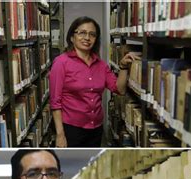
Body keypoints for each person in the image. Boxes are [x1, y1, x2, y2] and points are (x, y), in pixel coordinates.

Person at [49, 16, 140, 147]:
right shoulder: (61, 63)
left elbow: (119, 89)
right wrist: (60, 134)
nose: (87, 38)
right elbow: (55, 102)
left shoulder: (101, 65)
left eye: (92, 34)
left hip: (96, 129)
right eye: (82, 33)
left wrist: (123, 66)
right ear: (71, 37)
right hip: (71, 129)